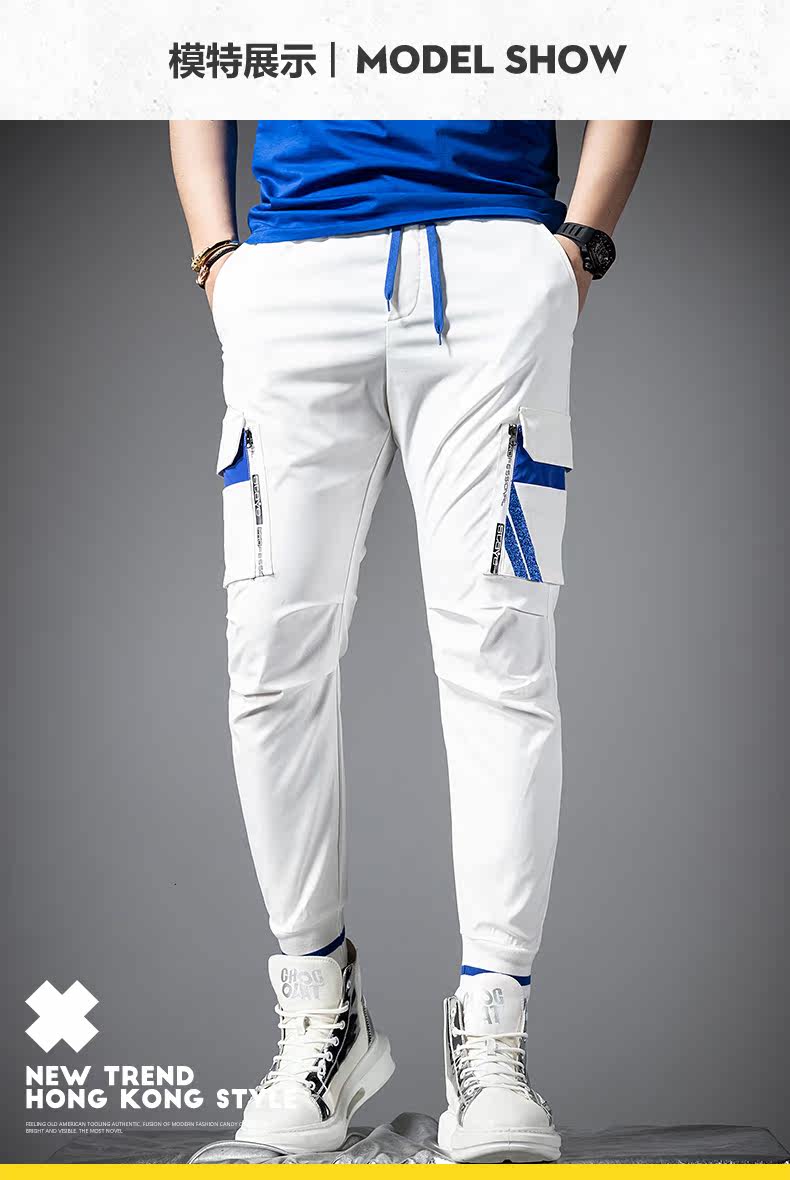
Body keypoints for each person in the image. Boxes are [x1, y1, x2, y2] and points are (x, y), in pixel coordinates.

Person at [170, 119, 651, 1163]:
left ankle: (494, 1039)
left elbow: (645, 50)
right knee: (268, 659)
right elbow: (188, 58)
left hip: (490, 265)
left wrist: (578, 248)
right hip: (292, 272)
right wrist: (216, 256)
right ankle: (321, 1015)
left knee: (500, 654)